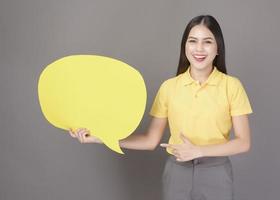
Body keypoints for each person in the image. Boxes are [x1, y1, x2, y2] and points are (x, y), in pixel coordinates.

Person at [69, 15, 253, 200]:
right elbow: (150, 140)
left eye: (207, 42)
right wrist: (101, 138)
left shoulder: (232, 86)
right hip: (177, 173)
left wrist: (199, 151)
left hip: (216, 174)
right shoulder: (168, 87)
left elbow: (243, 142)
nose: (199, 48)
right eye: (192, 41)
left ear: (217, 48)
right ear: (184, 47)